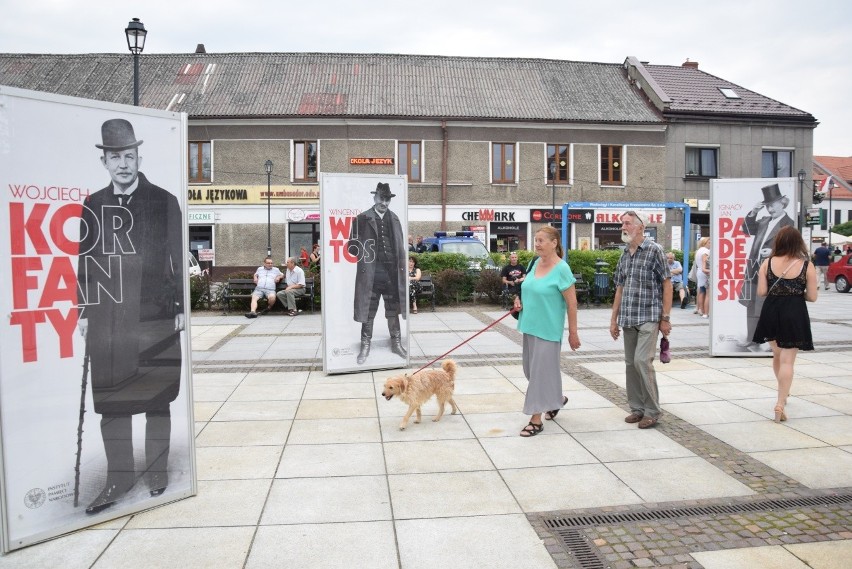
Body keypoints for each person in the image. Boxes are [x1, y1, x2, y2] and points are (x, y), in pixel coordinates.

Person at [76, 118, 185, 514]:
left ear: (139, 156)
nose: (123, 163)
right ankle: (118, 480)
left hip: (156, 313)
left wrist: (182, 309)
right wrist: (84, 309)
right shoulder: (94, 205)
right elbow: (85, 261)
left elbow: (178, 257)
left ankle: (157, 472)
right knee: (111, 399)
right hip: (108, 317)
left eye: (129, 155)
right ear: (104, 161)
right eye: (115, 157)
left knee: (157, 396)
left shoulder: (164, 200)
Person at [513, 226, 581, 437]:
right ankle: (556, 400)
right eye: (536, 240)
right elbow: (528, 288)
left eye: (541, 240)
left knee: (540, 375)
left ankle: (536, 419)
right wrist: (518, 299)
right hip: (529, 325)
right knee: (530, 371)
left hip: (548, 329)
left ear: (554, 243)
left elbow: (572, 303)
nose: (537, 244)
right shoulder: (534, 263)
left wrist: (573, 332)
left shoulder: (562, 269)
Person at [609, 211, 672, 429]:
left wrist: (665, 318)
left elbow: (667, 284)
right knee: (629, 364)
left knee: (641, 361)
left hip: (649, 316)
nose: (623, 227)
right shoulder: (624, 254)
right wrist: (613, 320)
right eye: (622, 224)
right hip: (628, 317)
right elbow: (619, 288)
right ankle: (637, 408)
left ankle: (652, 411)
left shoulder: (655, 250)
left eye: (627, 223)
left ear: (640, 227)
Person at [752, 226, 817, 422]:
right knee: (788, 360)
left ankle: (783, 390)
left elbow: (762, 292)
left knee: (778, 354)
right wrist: (797, 294)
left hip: (771, 311)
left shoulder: (767, 263)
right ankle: (780, 402)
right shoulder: (807, 266)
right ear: (798, 243)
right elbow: (812, 297)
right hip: (794, 311)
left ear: (778, 242)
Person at [348, 182, 408, 364]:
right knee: (368, 310)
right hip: (371, 275)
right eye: (382, 198)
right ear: (375, 198)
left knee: (393, 310)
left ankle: (396, 343)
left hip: (391, 275)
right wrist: (360, 249)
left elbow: (401, 248)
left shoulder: (395, 219)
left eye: (387, 199)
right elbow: (352, 247)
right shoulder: (361, 219)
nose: (384, 202)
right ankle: (365, 345)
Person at [740, 183, 795, 349]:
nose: (770, 209)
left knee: (767, 307)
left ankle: (770, 341)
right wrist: (754, 212)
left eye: (773, 205)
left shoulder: (789, 224)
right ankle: (752, 339)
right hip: (754, 270)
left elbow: (791, 251)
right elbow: (746, 229)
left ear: (782, 203)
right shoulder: (764, 220)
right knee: (750, 306)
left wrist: (772, 252)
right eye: (768, 206)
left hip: (773, 272)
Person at [693, 237, 711, 317]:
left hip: (699, 271)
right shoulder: (706, 251)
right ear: (705, 243)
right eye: (709, 242)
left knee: (701, 291)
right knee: (706, 293)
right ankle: (704, 311)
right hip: (705, 273)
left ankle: (701, 309)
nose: (711, 244)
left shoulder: (699, 250)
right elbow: (705, 263)